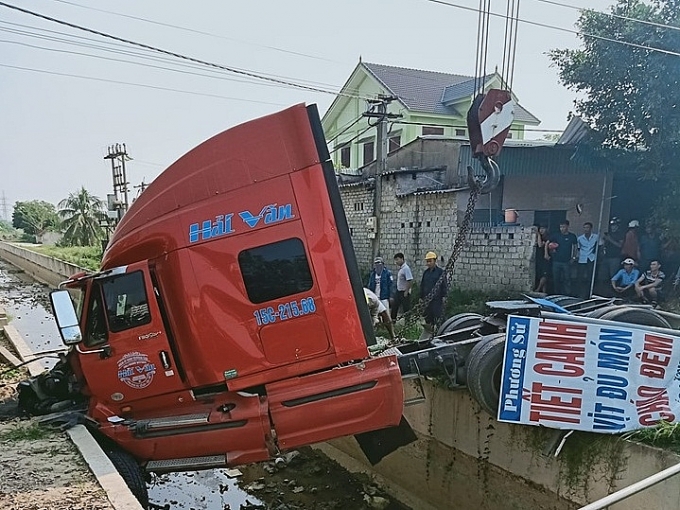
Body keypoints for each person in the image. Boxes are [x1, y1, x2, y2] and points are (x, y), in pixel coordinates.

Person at [546, 220, 578, 296]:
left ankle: (567, 294)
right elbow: (548, 243)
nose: (562, 228)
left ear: (567, 226)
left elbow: (575, 247)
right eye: (561, 227)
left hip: (566, 261)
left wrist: (574, 257)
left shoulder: (572, 236)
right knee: (556, 279)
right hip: (556, 261)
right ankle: (557, 294)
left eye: (563, 226)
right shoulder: (556, 235)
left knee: (567, 278)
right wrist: (548, 252)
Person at [420, 251, 447, 333]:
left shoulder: (440, 272)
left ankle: (441, 331)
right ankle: (429, 331)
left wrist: (444, 296)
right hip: (427, 299)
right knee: (428, 317)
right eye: (427, 261)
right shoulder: (426, 273)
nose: (428, 263)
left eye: (430, 261)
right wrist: (421, 297)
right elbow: (422, 285)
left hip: (436, 299)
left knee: (438, 316)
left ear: (435, 261)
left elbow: (444, 285)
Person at [576, 222, 598, 298]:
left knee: (590, 277)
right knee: (580, 277)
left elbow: (601, 246)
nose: (586, 229)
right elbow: (578, 249)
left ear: (591, 228)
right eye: (585, 228)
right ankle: (580, 294)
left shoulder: (596, 237)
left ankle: (589, 293)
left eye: (587, 228)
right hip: (582, 258)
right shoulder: (580, 238)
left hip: (591, 258)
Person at [391, 252, 414, 321]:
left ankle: (408, 323)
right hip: (399, 291)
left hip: (404, 292)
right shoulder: (401, 269)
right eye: (395, 260)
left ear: (402, 259)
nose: (396, 262)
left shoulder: (406, 268)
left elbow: (409, 280)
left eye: (397, 260)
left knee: (406, 308)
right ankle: (393, 321)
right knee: (394, 306)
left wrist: (406, 291)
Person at [533, 225, 550, 293]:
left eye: (543, 228)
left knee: (544, 275)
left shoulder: (548, 237)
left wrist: (538, 235)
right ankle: (544, 292)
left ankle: (538, 289)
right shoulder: (536, 237)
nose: (541, 230)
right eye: (540, 229)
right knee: (541, 275)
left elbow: (540, 245)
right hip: (539, 258)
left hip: (545, 258)